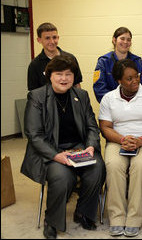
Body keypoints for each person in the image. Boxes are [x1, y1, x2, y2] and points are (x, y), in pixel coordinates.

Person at [21, 55, 105, 239]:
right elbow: (34, 135)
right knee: (62, 177)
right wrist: (57, 155)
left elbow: (92, 126)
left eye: (69, 74)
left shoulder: (81, 96)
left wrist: (90, 147)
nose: (64, 78)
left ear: (74, 77)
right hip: (52, 150)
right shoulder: (37, 97)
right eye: (59, 74)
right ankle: (51, 221)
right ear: (49, 75)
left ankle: (83, 212)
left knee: (97, 167)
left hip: (79, 148)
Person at [98, 58, 142, 237]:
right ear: (119, 81)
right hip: (118, 140)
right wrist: (122, 139)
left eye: (136, 76)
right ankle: (117, 217)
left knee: (140, 166)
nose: (135, 81)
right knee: (113, 165)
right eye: (129, 79)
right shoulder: (108, 98)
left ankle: (134, 217)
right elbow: (105, 127)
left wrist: (140, 140)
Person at [93, 27, 142, 103]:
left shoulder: (138, 62)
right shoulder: (103, 62)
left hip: (135, 106)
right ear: (114, 40)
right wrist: (117, 104)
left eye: (128, 40)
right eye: (122, 39)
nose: (125, 42)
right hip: (111, 107)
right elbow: (99, 89)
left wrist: (131, 103)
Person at [27, 22, 83, 91]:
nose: (52, 41)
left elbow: (77, 84)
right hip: (46, 101)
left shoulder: (71, 59)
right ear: (39, 40)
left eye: (54, 37)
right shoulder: (35, 65)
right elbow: (33, 92)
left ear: (58, 37)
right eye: (47, 38)